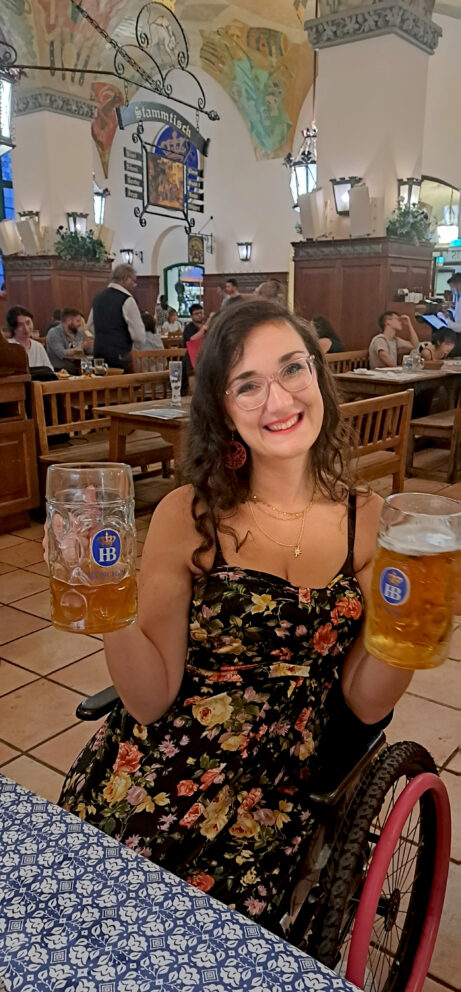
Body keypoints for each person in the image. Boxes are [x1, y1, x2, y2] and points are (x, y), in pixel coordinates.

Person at [57, 299, 413, 933]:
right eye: (247, 385)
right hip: (158, 772)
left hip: (273, 794)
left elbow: (363, 700)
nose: (278, 401)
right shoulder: (186, 514)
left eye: (292, 371)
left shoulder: (369, 521)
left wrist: (411, 624)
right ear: (221, 409)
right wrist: (106, 605)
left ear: (318, 378)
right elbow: (148, 699)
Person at [87, 264, 145, 371]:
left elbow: (90, 325)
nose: (134, 285)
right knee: (124, 386)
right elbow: (138, 335)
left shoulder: (98, 298)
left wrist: (104, 337)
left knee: (104, 385)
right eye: (133, 281)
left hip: (99, 352)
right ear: (126, 279)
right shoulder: (127, 299)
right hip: (121, 355)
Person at [6, 306, 53, 371]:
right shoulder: (7, 347)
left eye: (28, 323)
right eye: (20, 325)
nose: (26, 328)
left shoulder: (38, 347)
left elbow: (50, 370)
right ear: (13, 328)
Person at [46, 308, 92, 373]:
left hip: (80, 369)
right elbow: (62, 353)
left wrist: (92, 345)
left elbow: (90, 352)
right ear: (68, 320)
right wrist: (81, 347)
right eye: (78, 321)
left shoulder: (80, 333)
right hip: (60, 371)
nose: (80, 324)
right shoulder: (54, 333)